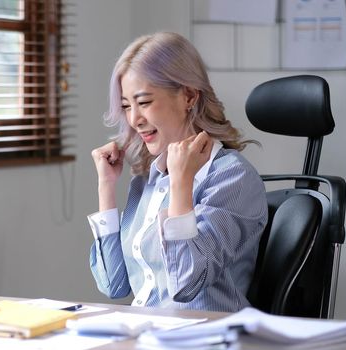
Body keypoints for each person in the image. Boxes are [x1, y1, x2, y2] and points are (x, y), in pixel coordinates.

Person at [88, 32, 268, 312]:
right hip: (149, 332)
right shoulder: (148, 178)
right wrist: (106, 187)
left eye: (144, 102)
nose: (134, 120)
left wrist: (181, 185)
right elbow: (113, 285)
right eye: (126, 106)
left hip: (205, 338)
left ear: (188, 96)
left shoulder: (233, 177)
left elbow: (187, 284)